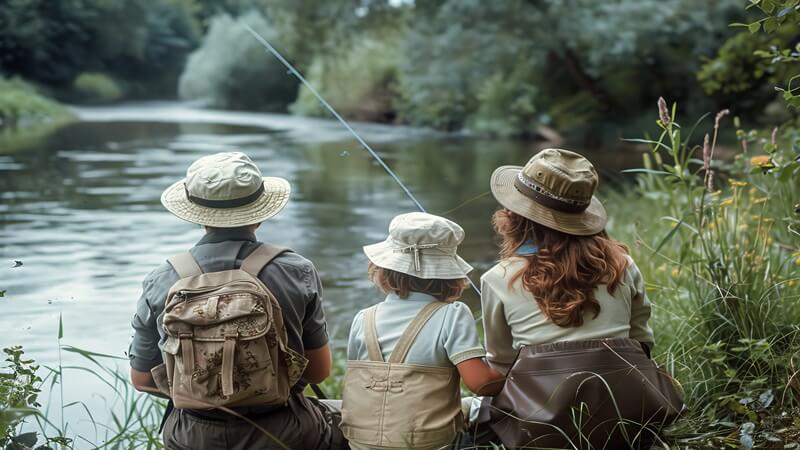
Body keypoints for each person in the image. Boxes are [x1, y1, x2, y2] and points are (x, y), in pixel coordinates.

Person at [465, 148, 683, 449]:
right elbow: (642, 343)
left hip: (541, 431)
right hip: (629, 418)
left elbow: (501, 369)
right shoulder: (623, 264)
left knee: (477, 412)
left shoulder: (497, 278)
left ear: (513, 216)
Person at [128, 152, 347, 450]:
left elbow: (141, 379)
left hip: (193, 436)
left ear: (196, 213)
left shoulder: (163, 279)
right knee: (351, 421)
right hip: (286, 431)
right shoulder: (297, 271)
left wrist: (202, 392)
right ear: (260, 211)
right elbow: (318, 371)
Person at [340, 212, 505, 450]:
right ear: (450, 275)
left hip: (360, 441)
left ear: (383, 270)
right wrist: (512, 373)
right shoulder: (453, 314)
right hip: (430, 443)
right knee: (482, 408)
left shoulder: (362, 318)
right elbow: (480, 384)